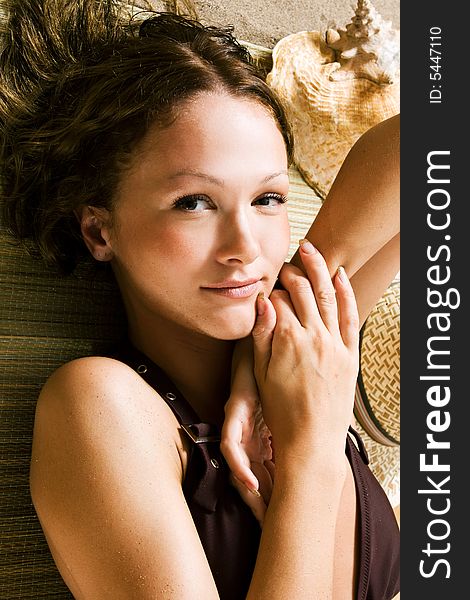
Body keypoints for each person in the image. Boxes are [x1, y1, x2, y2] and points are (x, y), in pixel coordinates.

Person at [0, 1, 400, 598]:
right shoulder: (100, 405)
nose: (245, 248)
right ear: (99, 231)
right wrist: (310, 457)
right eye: (194, 203)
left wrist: (287, 308)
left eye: (267, 198)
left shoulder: (308, 347)